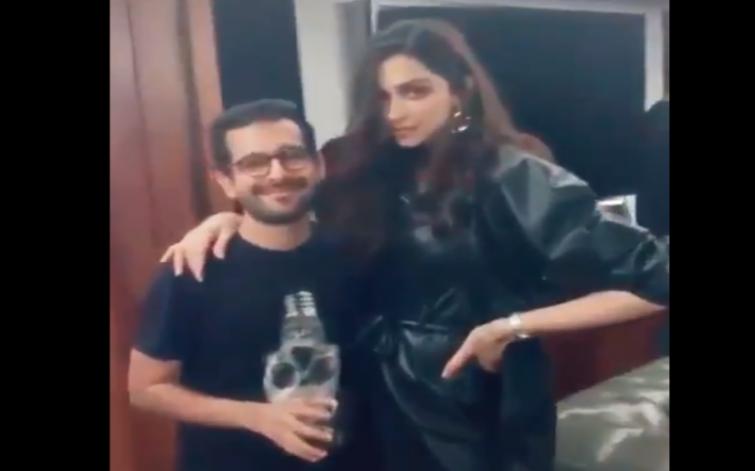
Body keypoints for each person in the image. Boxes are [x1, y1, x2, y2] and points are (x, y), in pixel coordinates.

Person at [161, 19, 669, 471]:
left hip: (466, 398)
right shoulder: (364, 166)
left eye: (414, 91)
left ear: (460, 90)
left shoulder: (514, 175)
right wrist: (226, 220)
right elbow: (293, 211)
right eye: (382, 97)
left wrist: (512, 326)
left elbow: (657, 278)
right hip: (367, 390)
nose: (395, 112)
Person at [128, 99, 377, 471]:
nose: (277, 173)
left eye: (291, 156)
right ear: (226, 180)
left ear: (318, 165)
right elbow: (146, 389)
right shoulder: (191, 271)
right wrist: (256, 417)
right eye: (254, 163)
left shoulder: (360, 258)